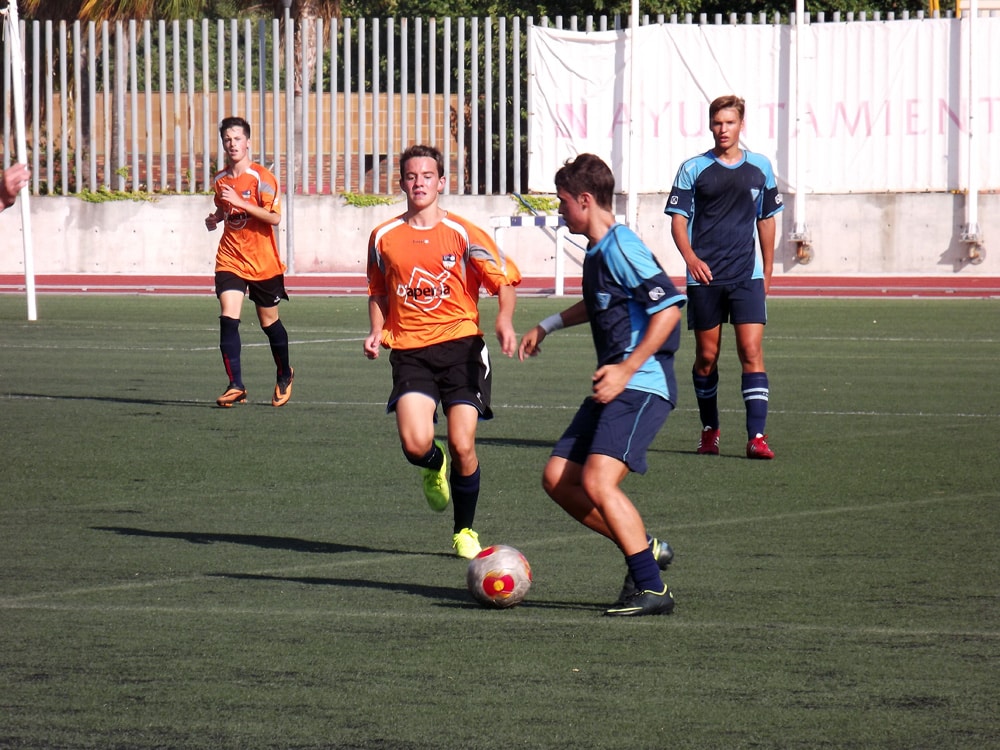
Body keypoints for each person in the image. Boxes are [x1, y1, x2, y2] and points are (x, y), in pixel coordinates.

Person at [518, 153, 684, 617]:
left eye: (563, 202)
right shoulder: (598, 250)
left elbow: (668, 308)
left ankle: (652, 589)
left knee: (597, 480)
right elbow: (599, 303)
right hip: (615, 384)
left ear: (585, 200)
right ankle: (644, 550)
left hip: (641, 385)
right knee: (558, 479)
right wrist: (548, 324)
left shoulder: (622, 246)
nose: (559, 211)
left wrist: (626, 368)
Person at [364, 144, 521, 559]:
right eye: (412, 176)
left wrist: (503, 320)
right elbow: (378, 291)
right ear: (401, 183)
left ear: (441, 183)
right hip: (411, 352)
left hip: (462, 348)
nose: (419, 183)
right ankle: (434, 466)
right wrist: (376, 330)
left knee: (462, 442)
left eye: (427, 176)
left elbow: (503, 281)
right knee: (416, 444)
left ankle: (464, 530)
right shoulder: (383, 237)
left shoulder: (463, 232)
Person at [665, 94, 784, 459]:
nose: (723, 129)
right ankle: (709, 429)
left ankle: (757, 437)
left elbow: (766, 219)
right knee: (706, 357)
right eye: (717, 123)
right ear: (711, 125)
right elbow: (678, 221)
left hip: (745, 275)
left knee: (751, 350)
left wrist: (766, 269)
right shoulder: (693, 168)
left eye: (729, 123)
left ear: (741, 125)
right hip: (705, 277)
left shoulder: (760, 167)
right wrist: (690, 258)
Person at [205, 116, 294, 408]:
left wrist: (243, 203)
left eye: (237, 139)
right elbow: (222, 207)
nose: (232, 144)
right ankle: (236, 385)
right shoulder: (220, 180)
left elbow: (274, 218)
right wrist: (215, 219)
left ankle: (284, 374)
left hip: (263, 262)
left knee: (269, 324)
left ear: (248, 142)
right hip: (230, 258)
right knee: (228, 319)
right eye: (227, 140)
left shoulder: (263, 179)